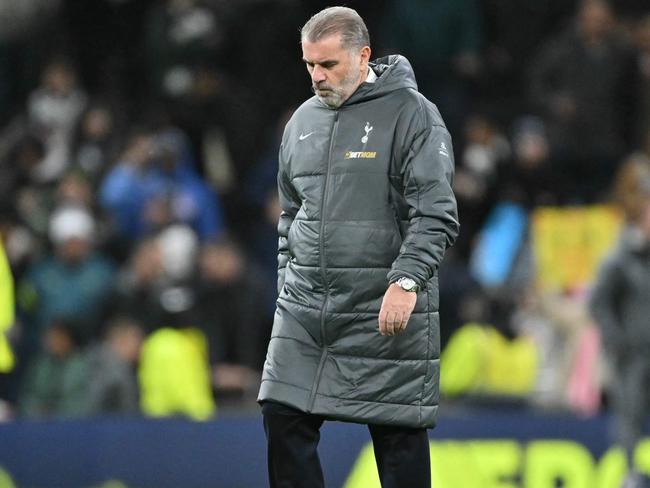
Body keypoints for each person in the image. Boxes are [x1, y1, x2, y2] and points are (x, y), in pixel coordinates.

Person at [257, 7, 459, 488]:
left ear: (363, 54)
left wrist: (407, 280)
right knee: (281, 413)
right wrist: (289, 281)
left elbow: (435, 212)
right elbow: (290, 216)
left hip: (382, 307)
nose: (317, 77)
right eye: (309, 65)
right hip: (307, 312)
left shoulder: (413, 113)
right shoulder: (301, 121)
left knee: (397, 442)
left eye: (328, 65)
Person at [590, 172, 650, 488]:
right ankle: (630, 474)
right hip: (633, 355)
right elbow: (598, 303)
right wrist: (617, 339)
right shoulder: (622, 257)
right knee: (630, 418)